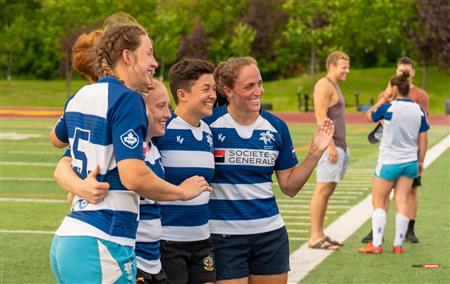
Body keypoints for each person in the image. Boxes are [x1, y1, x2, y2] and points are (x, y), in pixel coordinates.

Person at [50, 24, 211, 283]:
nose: (155, 62)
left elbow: (59, 144)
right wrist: (182, 192)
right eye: (148, 53)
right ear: (127, 56)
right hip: (103, 241)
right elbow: (133, 177)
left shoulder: (81, 95)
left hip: (72, 237)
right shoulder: (127, 99)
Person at [205, 56, 334, 283]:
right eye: (249, 86)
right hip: (223, 238)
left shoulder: (276, 127)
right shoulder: (208, 125)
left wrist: (315, 153)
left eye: (260, 83)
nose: (258, 91)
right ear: (228, 90)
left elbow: (289, 187)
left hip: (269, 236)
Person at [153, 59, 217, 284]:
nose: (213, 95)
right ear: (183, 94)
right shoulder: (162, 129)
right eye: (206, 89)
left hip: (202, 239)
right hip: (168, 242)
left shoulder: (208, 132)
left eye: (214, 89)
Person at [358, 71, 429, 254]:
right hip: (410, 162)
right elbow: (423, 138)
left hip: (389, 161)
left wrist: (383, 99)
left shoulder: (389, 108)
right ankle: (398, 245)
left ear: (395, 89)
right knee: (402, 200)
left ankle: (376, 244)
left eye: (390, 87)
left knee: (379, 201)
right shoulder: (418, 110)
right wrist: (421, 160)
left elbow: (369, 116)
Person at [308, 51, 350, 250]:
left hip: (340, 146)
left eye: (347, 67)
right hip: (330, 147)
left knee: (328, 190)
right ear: (331, 66)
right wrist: (330, 146)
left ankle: (321, 233)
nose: (347, 71)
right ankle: (315, 237)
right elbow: (320, 115)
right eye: (343, 67)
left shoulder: (334, 86)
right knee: (322, 190)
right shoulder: (324, 85)